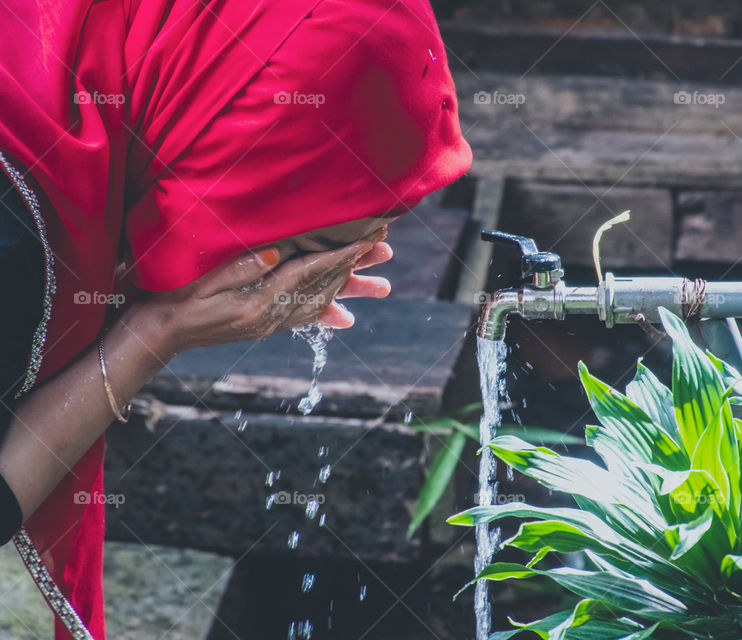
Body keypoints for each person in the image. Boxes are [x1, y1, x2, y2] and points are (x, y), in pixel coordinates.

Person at [0, 0, 472, 637]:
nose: (312, 282)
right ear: (221, 159)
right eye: (304, 252)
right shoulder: (12, 226)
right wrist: (153, 334)